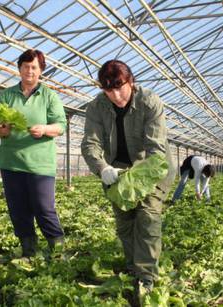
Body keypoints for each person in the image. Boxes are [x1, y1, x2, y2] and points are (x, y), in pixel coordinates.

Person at [81, 60, 175, 299]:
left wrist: (140, 178)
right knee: (125, 222)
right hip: (117, 170)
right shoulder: (96, 107)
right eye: (108, 89)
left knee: (147, 217)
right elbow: (90, 144)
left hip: (151, 167)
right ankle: (134, 267)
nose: (115, 94)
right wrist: (103, 169)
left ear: (130, 81)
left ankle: (146, 278)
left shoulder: (149, 101)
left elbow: (155, 150)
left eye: (119, 86)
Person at [0, 49, 66, 259]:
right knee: (18, 210)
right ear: (19, 68)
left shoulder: (49, 95)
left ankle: (57, 251)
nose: (29, 71)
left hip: (40, 164)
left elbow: (61, 126)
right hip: (11, 162)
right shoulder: (6, 95)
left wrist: (45, 129)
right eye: (25, 66)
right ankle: (29, 251)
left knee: (43, 207)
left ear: (41, 71)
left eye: (34, 67)